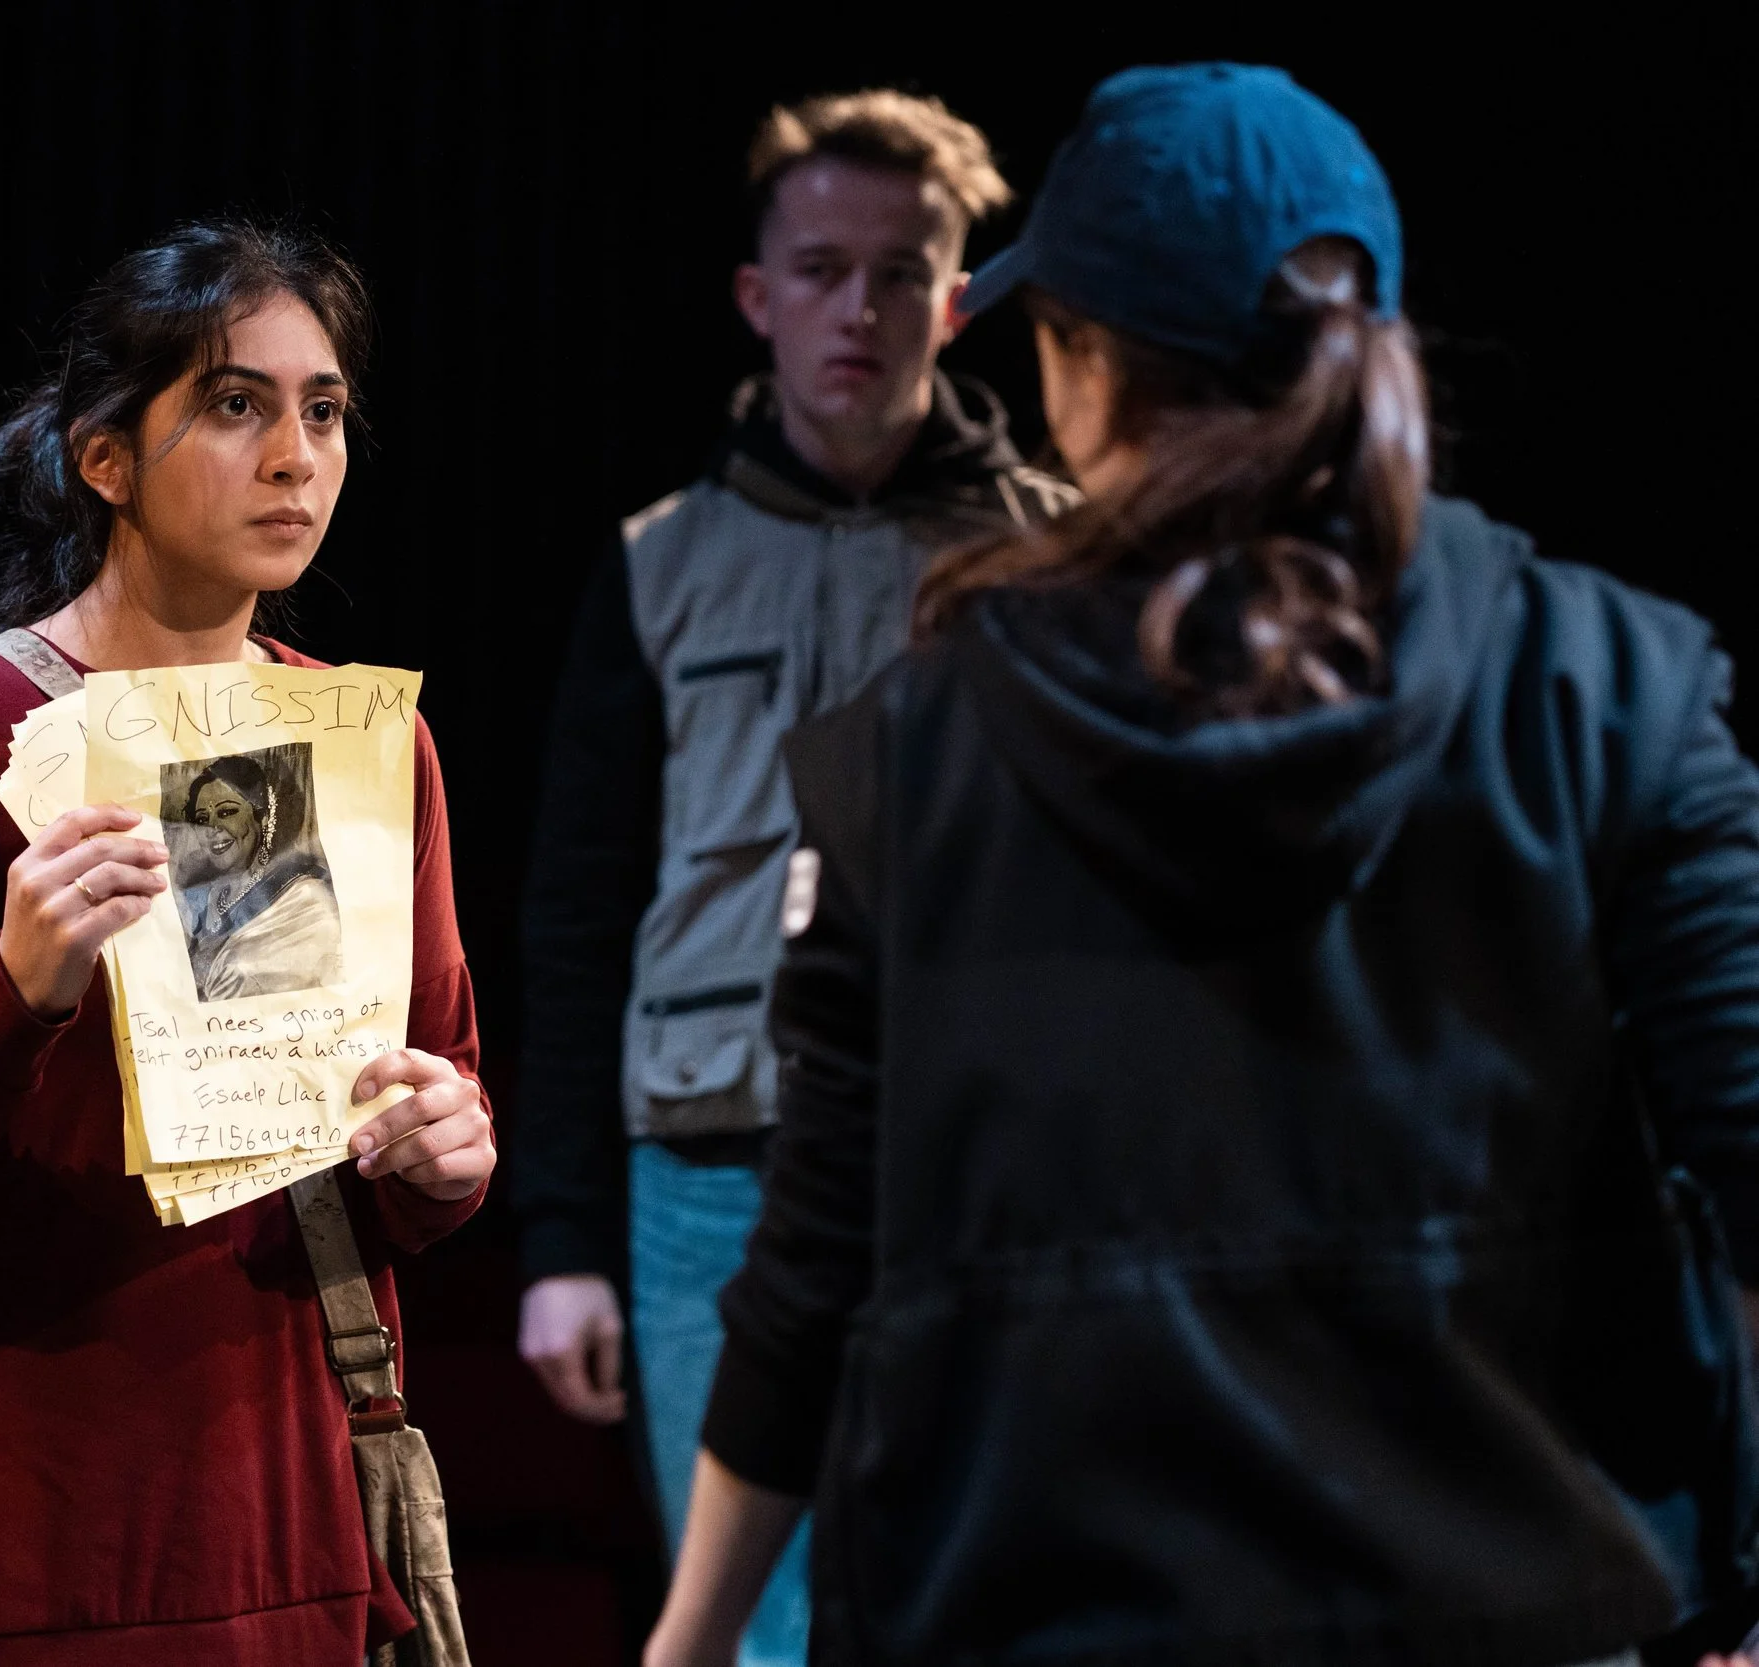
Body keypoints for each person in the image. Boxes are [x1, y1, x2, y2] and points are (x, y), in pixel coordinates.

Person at [644, 63, 1759, 1667]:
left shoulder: (906, 752)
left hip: (1025, 1617)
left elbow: (814, 1265)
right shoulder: (1616, 690)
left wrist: (690, 1640)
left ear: (1083, 364)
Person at [0, 218, 496, 1666]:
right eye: (236, 404)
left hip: (293, 1534)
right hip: (22, 1555)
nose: (294, 457)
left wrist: (446, 1154)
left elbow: (429, 1113)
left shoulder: (369, 742)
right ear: (105, 459)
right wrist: (13, 990)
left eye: (322, 410)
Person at [511, 89, 1069, 1666]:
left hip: (978, 1172)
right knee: (751, 1626)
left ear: (957, 298)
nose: (861, 310)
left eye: (903, 273)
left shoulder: (1054, 558)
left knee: (994, 1602)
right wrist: (563, 1239)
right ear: (760, 296)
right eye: (822, 270)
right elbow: (578, 914)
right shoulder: (659, 563)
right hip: (709, 1170)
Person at [172, 753, 344, 999]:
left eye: (226, 812)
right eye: (202, 819)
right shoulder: (198, 898)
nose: (212, 829)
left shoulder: (305, 901)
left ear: (261, 817)